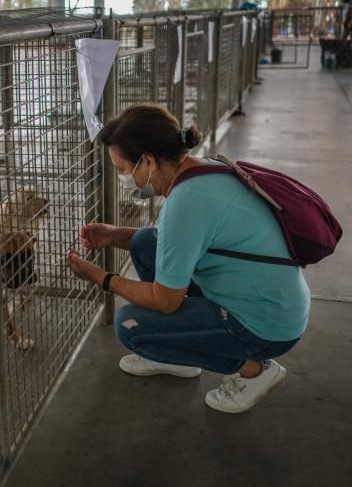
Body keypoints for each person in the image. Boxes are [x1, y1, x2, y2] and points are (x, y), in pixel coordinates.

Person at [66, 104, 310, 414]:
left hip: (265, 326)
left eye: (124, 169)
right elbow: (173, 242)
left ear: (149, 161)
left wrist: (101, 278)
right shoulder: (206, 168)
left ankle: (253, 371)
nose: (125, 178)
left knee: (130, 326)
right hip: (273, 300)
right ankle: (177, 358)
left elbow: (165, 301)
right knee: (145, 241)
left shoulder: (185, 203)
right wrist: (115, 235)